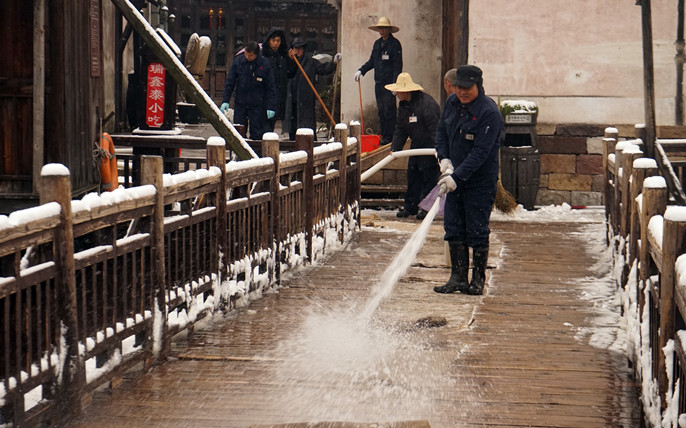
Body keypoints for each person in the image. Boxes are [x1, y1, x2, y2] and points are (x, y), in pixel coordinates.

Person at [433, 65, 504, 296]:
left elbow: (481, 153)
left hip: (479, 181)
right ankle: (457, 278)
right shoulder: (452, 104)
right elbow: (442, 133)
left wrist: (458, 176)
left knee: (477, 228)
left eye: (467, 88)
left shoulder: (488, 112)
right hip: (454, 175)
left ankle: (477, 279)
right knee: (453, 226)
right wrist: (444, 159)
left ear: (479, 86)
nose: (462, 92)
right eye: (459, 88)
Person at [385, 72, 440, 220]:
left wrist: (438, 150)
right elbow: (400, 129)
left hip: (429, 148)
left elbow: (434, 128)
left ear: (407, 91)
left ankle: (426, 208)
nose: (396, 94)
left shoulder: (427, 104)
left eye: (398, 91)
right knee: (413, 177)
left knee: (428, 178)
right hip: (416, 147)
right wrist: (395, 149)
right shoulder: (403, 105)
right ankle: (410, 207)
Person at [354, 16, 403, 144]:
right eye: (380, 28)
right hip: (379, 83)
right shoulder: (377, 44)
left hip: (389, 84)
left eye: (384, 28)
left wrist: (395, 84)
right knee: (381, 111)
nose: (382, 31)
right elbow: (372, 61)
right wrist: (361, 70)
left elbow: (397, 66)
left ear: (389, 29)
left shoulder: (395, 44)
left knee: (389, 112)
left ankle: (390, 137)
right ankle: (384, 135)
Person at [286, 38, 341, 140]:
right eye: (295, 48)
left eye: (300, 48)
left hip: (306, 100)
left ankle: (309, 146)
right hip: (292, 100)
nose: (297, 51)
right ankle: (293, 146)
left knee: (307, 125)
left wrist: (333, 62)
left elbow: (324, 69)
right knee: (293, 125)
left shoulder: (310, 62)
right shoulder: (289, 62)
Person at [220, 41, 276, 140]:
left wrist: (270, 106)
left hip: (258, 104)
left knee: (257, 133)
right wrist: (225, 100)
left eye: (250, 55)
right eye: (246, 54)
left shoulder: (264, 64)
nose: (247, 57)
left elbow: (270, 87)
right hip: (241, 102)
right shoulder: (239, 61)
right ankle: (238, 154)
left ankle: (256, 154)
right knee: (238, 131)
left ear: (256, 54)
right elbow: (230, 82)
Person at [262, 28, 291, 133]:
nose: (275, 44)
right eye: (273, 41)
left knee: (271, 126)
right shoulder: (263, 56)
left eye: (278, 41)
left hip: (278, 95)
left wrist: (291, 59)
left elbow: (290, 73)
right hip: (264, 96)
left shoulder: (283, 57)